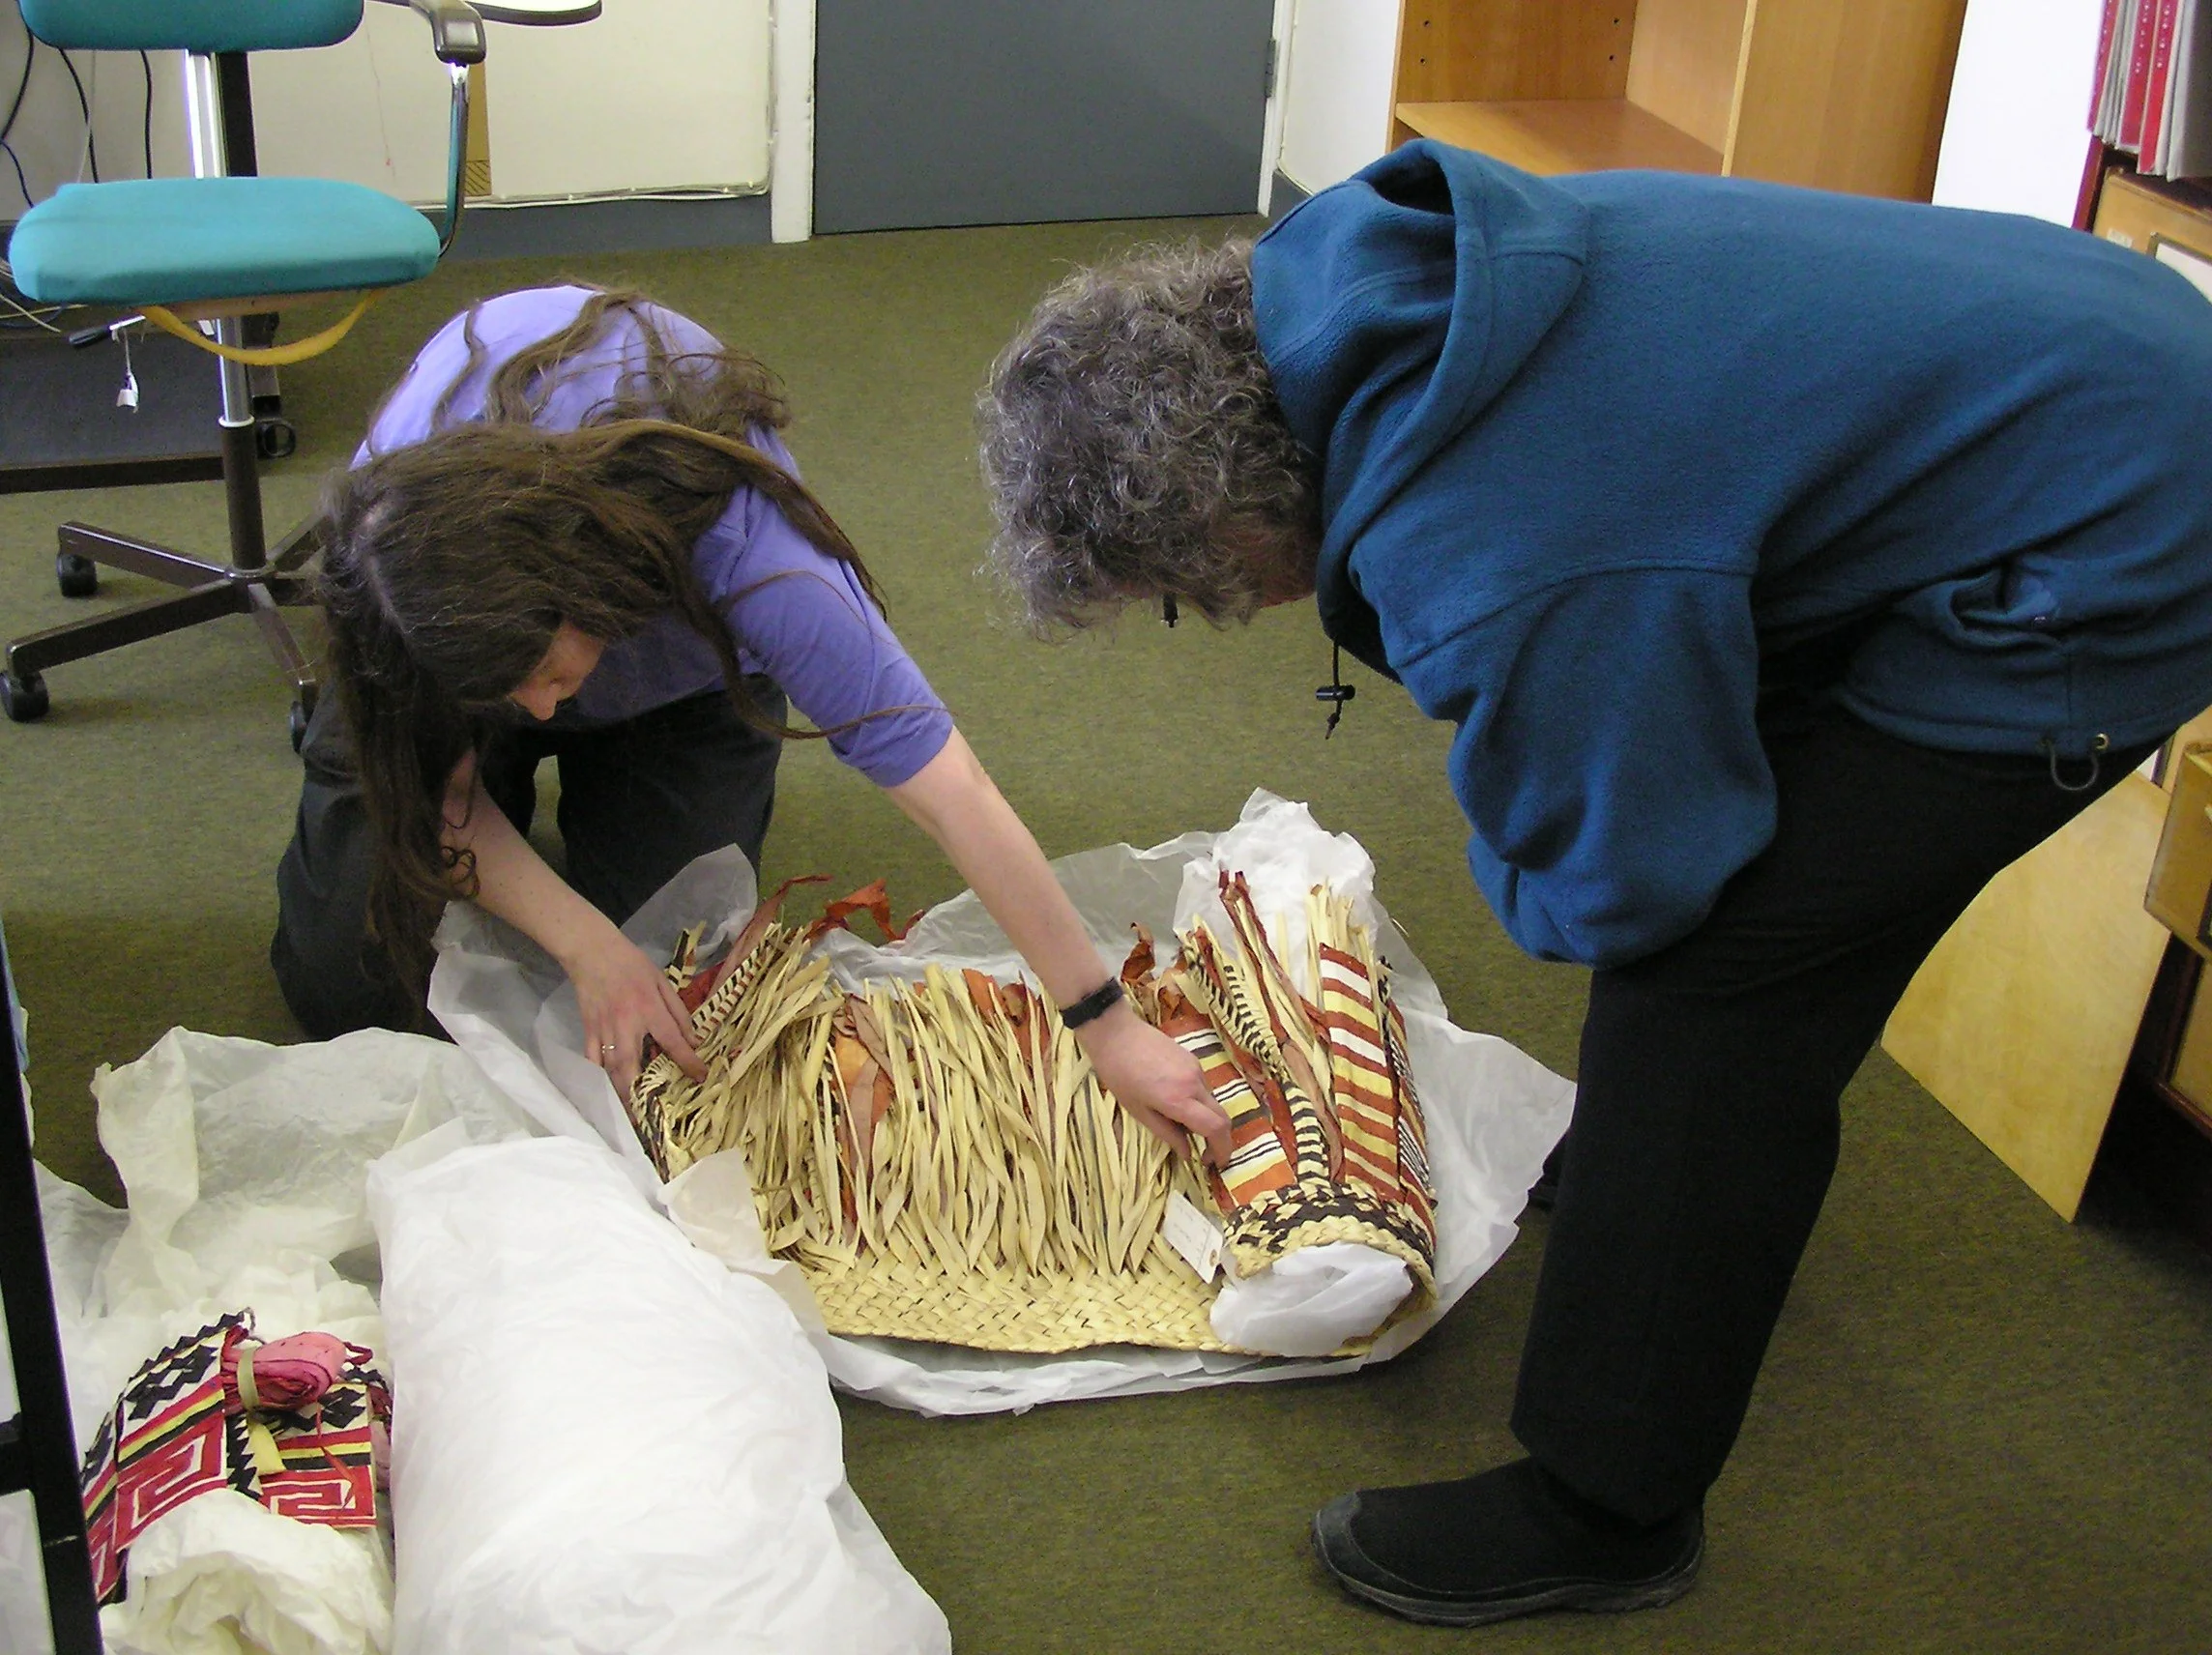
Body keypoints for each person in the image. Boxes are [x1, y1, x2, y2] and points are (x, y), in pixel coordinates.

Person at [975, 142, 2212, 1627]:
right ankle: (1658, 1175)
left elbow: (1631, 877)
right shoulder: (1348, 281)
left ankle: (1608, 1506)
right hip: (2082, 363)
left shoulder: (1506, 539)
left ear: (1229, 513)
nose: (1226, 613)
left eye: (1194, 588)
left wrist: (1565, 858)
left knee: (1714, 989)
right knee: (1749, 891)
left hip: (2128, 534)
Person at [272, 283, 1226, 1157]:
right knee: (347, 986)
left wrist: (1103, 1021)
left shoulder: (750, 550)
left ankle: (605, 777)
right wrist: (579, 938)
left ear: (593, 592)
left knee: (678, 994)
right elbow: (437, 794)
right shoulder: (393, 556)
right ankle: (475, 781)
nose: (538, 707)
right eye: (516, 695)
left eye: (549, 677)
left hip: (680, 684)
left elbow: (951, 792)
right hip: (451, 646)